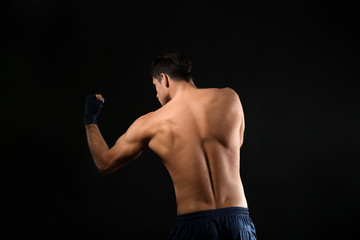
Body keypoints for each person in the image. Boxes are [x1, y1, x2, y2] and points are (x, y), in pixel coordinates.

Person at [84, 51, 257, 239]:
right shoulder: (229, 98)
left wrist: (90, 119)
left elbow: (104, 163)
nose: (156, 95)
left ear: (164, 79)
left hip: (195, 225)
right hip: (239, 223)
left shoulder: (151, 123)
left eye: (155, 86)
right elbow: (235, 147)